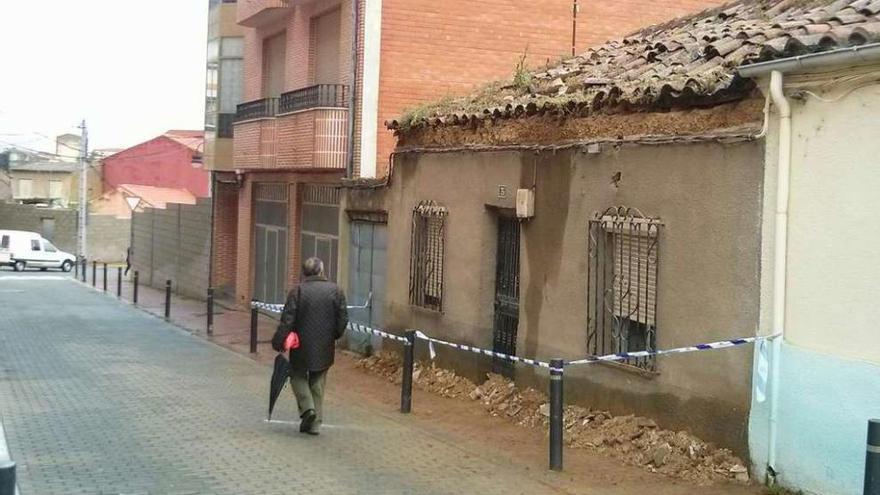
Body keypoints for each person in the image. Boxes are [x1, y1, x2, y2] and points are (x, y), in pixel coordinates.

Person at [272, 257, 348, 435]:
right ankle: (314, 425)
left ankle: (307, 409)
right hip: (324, 345)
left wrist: (279, 341)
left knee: (297, 375)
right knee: (318, 382)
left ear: (304, 273)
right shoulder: (336, 291)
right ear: (321, 271)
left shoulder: (298, 291)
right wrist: (334, 335)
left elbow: (287, 320)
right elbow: (343, 319)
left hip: (301, 345)